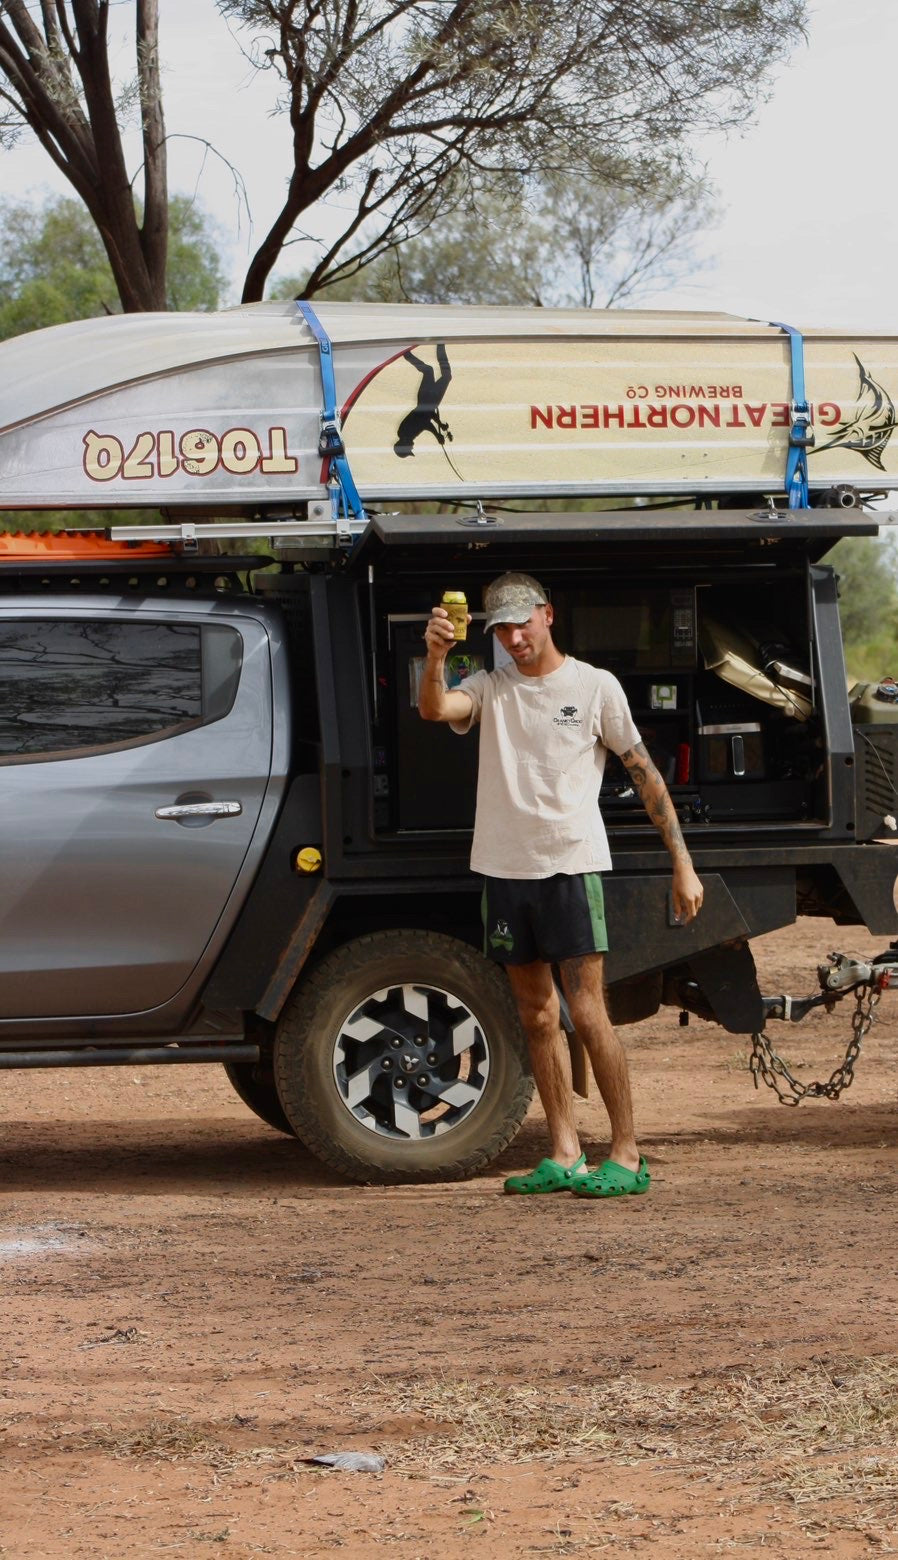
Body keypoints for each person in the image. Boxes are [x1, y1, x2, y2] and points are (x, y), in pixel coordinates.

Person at [418, 571, 703, 1198]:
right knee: (536, 1014)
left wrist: (682, 860)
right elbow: (436, 708)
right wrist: (437, 656)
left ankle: (627, 1153)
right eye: (502, 629)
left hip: (571, 866)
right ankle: (565, 1152)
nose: (515, 637)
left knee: (587, 1011)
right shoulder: (489, 687)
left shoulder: (594, 686)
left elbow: (645, 773)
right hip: (504, 869)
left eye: (523, 622)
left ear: (547, 615)